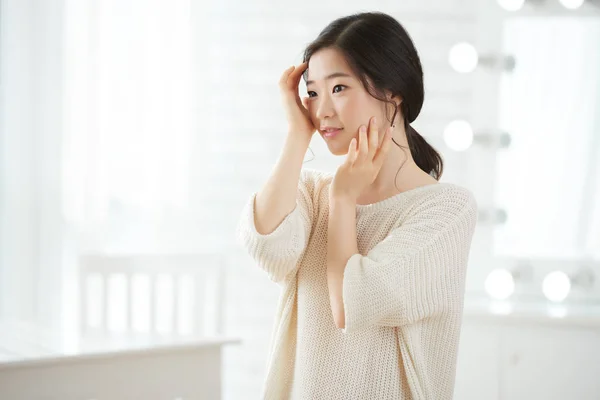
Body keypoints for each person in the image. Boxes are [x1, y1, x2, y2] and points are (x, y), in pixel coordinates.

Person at [236, 11, 478, 400]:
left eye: (339, 88)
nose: (322, 110)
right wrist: (298, 136)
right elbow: (269, 248)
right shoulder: (314, 191)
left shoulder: (445, 210)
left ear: (393, 90)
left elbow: (352, 306)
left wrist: (345, 199)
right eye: (313, 92)